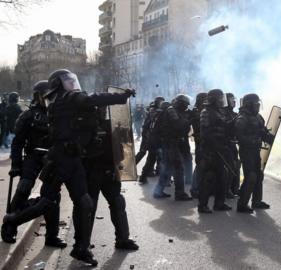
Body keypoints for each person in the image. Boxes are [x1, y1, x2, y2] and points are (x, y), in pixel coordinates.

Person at [2, 69, 135, 266]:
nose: (72, 84)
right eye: (67, 81)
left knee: (85, 203)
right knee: (46, 202)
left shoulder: (63, 100)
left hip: (73, 159)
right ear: (58, 84)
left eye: (72, 81)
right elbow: (92, 98)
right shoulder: (65, 99)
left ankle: (81, 249)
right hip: (60, 159)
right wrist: (121, 96)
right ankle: (12, 220)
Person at [1, 81, 65, 248]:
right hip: (33, 156)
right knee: (24, 188)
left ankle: (52, 236)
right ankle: (9, 227)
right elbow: (17, 142)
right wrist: (16, 164)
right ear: (38, 95)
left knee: (53, 196)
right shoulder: (28, 115)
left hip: (51, 159)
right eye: (46, 94)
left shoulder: (58, 114)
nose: (50, 97)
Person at [81, 106, 138, 250]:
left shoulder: (110, 125)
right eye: (98, 109)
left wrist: (123, 131)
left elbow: (121, 147)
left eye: (103, 109)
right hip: (91, 173)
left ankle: (123, 239)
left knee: (118, 202)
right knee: (88, 207)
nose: (101, 111)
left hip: (109, 171)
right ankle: (83, 244)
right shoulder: (82, 126)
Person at [235, 93, 274, 214]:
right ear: (249, 105)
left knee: (259, 175)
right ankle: (242, 204)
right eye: (256, 104)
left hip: (256, 151)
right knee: (251, 176)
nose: (258, 106)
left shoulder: (258, 117)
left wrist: (269, 138)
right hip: (246, 151)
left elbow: (263, 132)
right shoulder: (242, 118)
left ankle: (256, 201)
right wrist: (253, 140)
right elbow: (239, 137)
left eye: (258, 104)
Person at [197, 89, 232, 213]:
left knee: (223, 176)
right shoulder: (206, 112)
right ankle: (202, 205)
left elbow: (222, 128)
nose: (222, 101)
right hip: (210, 150)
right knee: (209, 178)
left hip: (219, 149)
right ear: (213, 99)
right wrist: (215, 145)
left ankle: (219, 203)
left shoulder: (219, 112)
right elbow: (206, 133)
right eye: (220, 99)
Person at [161, 94, 192, 201]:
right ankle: (179, 193)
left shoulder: (176, 110)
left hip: (173, 142)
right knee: (179, 167)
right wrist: (188, 120)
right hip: (171, 143)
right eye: (185, 104)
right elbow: (178, 125)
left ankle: (158, 191)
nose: (187, 107)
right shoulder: (171, 110)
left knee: (169, 168)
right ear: (180, 103)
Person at [136, 97, 164, 184]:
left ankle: (147, 173)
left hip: (151, 136)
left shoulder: (155, 110)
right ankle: (132, 169)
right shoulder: (155, 110)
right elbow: (153, 124)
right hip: (150, 136)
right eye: (161, 102)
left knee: (152, 157)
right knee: (145, 154)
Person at [190, 92, 207, 198]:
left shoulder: (202, 111)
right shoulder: (197, 112)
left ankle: (200, 188)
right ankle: (194, 189)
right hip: (201, 141)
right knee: (201, 164)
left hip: (204, 140)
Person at [223, 93, 240, 198]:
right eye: (231, 99)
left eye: (234, 99)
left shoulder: (235, 114)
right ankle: (226, 189)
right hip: (225, 144)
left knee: (236, 166)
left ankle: (234, 188)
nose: (234, 101)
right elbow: (225, 127)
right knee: (228, 167)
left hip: (233, 144)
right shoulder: (222, 114)